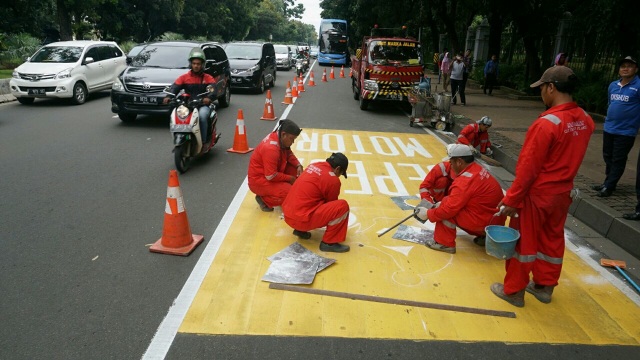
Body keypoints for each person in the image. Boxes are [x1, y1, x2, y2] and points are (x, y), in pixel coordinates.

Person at [490, 66, 595, 307]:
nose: (541, 95)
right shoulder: (585, 120)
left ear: (551, 87)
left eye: (542, 89)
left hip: (537, 195)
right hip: (563, 193)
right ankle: (544, 287)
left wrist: (511, 200)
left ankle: (513, 291)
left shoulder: (547, 124)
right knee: (552, 239)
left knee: (523, 244)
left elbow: (528, 169)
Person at [413, 144, 505, 253]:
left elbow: (448, 210)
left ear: (459, 162)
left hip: (482, 221)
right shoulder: (477, 169)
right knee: (447, 204)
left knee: (445, 211)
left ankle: (444, 243)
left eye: (451, 162)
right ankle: (484, 237)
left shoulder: (464, 181)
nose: (450, 165)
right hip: (494, 221)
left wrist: (428, 214)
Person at [591, 56, 640, 198]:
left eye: (629, 66)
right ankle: (607, 181)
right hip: (609, 128)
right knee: (608, 156)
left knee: (618, 158)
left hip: (626, 131)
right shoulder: (613, 85)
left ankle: (609, 186)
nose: (625, 68)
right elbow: (609, 103)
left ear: (635, 69)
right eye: (622, 66)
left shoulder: (638, 86)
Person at [282, 153, 351, 253]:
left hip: (288, 215)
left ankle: (300, 230)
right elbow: (331, 204)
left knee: (310, 198)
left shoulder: (314, 165)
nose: (339, 176)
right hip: (301, 220)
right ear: (337, 169)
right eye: (340, 174)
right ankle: (329, 243)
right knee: (342, 207)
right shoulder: (333, 180)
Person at [248, 119, 304, 212]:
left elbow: (288, 153)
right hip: (259, 181)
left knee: (296, 172)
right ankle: (264, 199)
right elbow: (271, 176)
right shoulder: (271, 149)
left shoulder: (279, 138)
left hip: (268, 174)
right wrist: (290, 179)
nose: (293, 142)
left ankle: (280, 190)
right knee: (289, 194)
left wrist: (298, 165)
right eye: (292, 139)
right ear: (283, 134)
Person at [163, 47, 216, 144]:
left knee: (202, 116)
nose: (196, 66)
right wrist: (168, 96)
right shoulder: (184, 77)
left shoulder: (208, 78)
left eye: (198, 64)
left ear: (202, 65)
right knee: (177, 114)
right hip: (188, 104)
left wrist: (208, 98)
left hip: (202, 105)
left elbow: (213, 90)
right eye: (194, 63)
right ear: (191, 64)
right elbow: (174, 87)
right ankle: (180, 135)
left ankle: (203, 141)